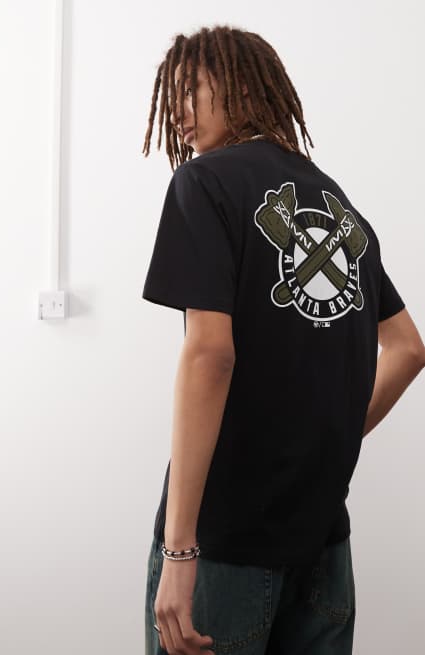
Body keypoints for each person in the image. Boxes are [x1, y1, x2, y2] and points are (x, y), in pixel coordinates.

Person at [140, 24, 425, 655]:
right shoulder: (340, 208)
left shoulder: (204, 183)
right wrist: (329, 437)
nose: (178, 114)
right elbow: (409, 348)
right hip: (323, 546)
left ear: (241, 87)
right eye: (172, 96)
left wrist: (180, 550)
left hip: (226, 544)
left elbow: (210, 354)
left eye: (191, 91)